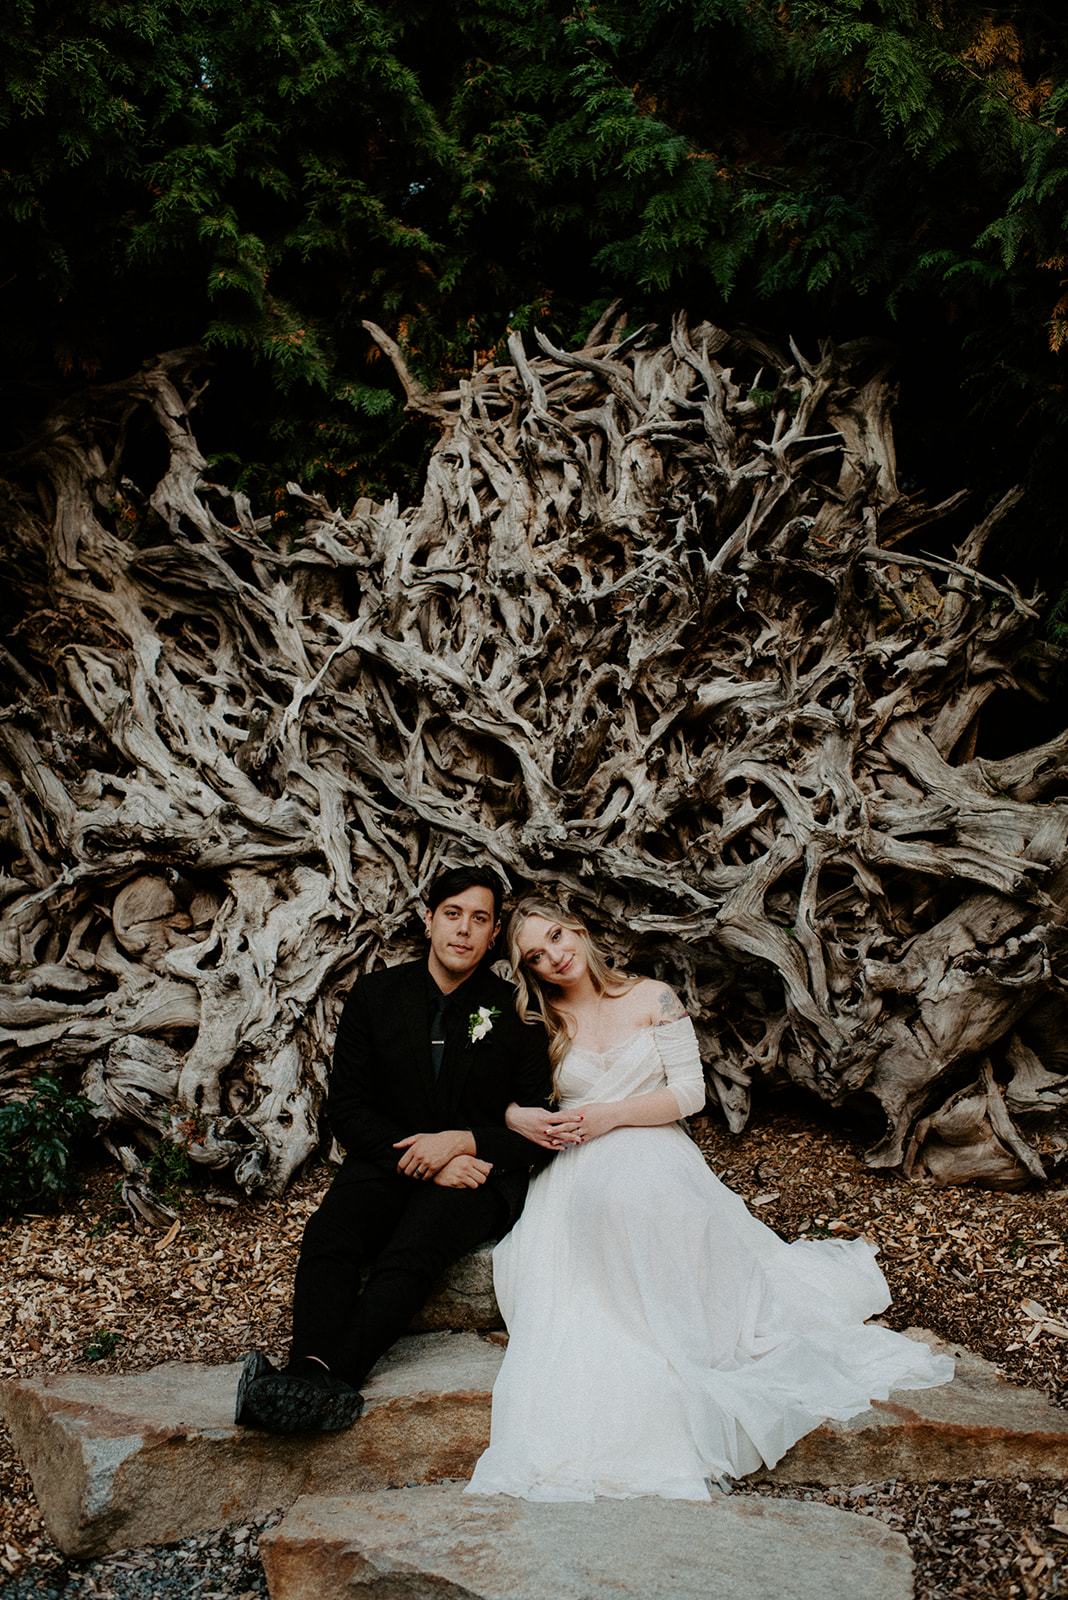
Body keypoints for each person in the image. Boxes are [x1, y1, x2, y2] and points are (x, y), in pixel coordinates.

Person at [466, 895, 955, 1501]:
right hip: (576, 1164)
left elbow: (691, 1095)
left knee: (653, 1191)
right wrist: (518, 1117)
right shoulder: (539, 1022)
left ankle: (700, 1337)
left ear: (580, 930)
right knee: (612, 1207)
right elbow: (501, 1100)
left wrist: (611, 1116)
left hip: (650, 1137)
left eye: (558, 938)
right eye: (536, 955)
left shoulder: (653, 998)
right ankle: (651, 1343)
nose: (554, 958)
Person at [236, 865, 553, 1433]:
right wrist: (424, 1162)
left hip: (477, 1174)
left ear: (494, 930)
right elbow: (349, 1110)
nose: (463, 930)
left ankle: (327, 1377)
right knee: (331, 1235)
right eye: (452, 914)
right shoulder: (377, 995)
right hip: (389, 1159)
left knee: (415, 1246)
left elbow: (539, 1131)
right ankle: (312, 1367)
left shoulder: (514, 1009)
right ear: (427, 919)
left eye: (479, 919)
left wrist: (462, 1143)